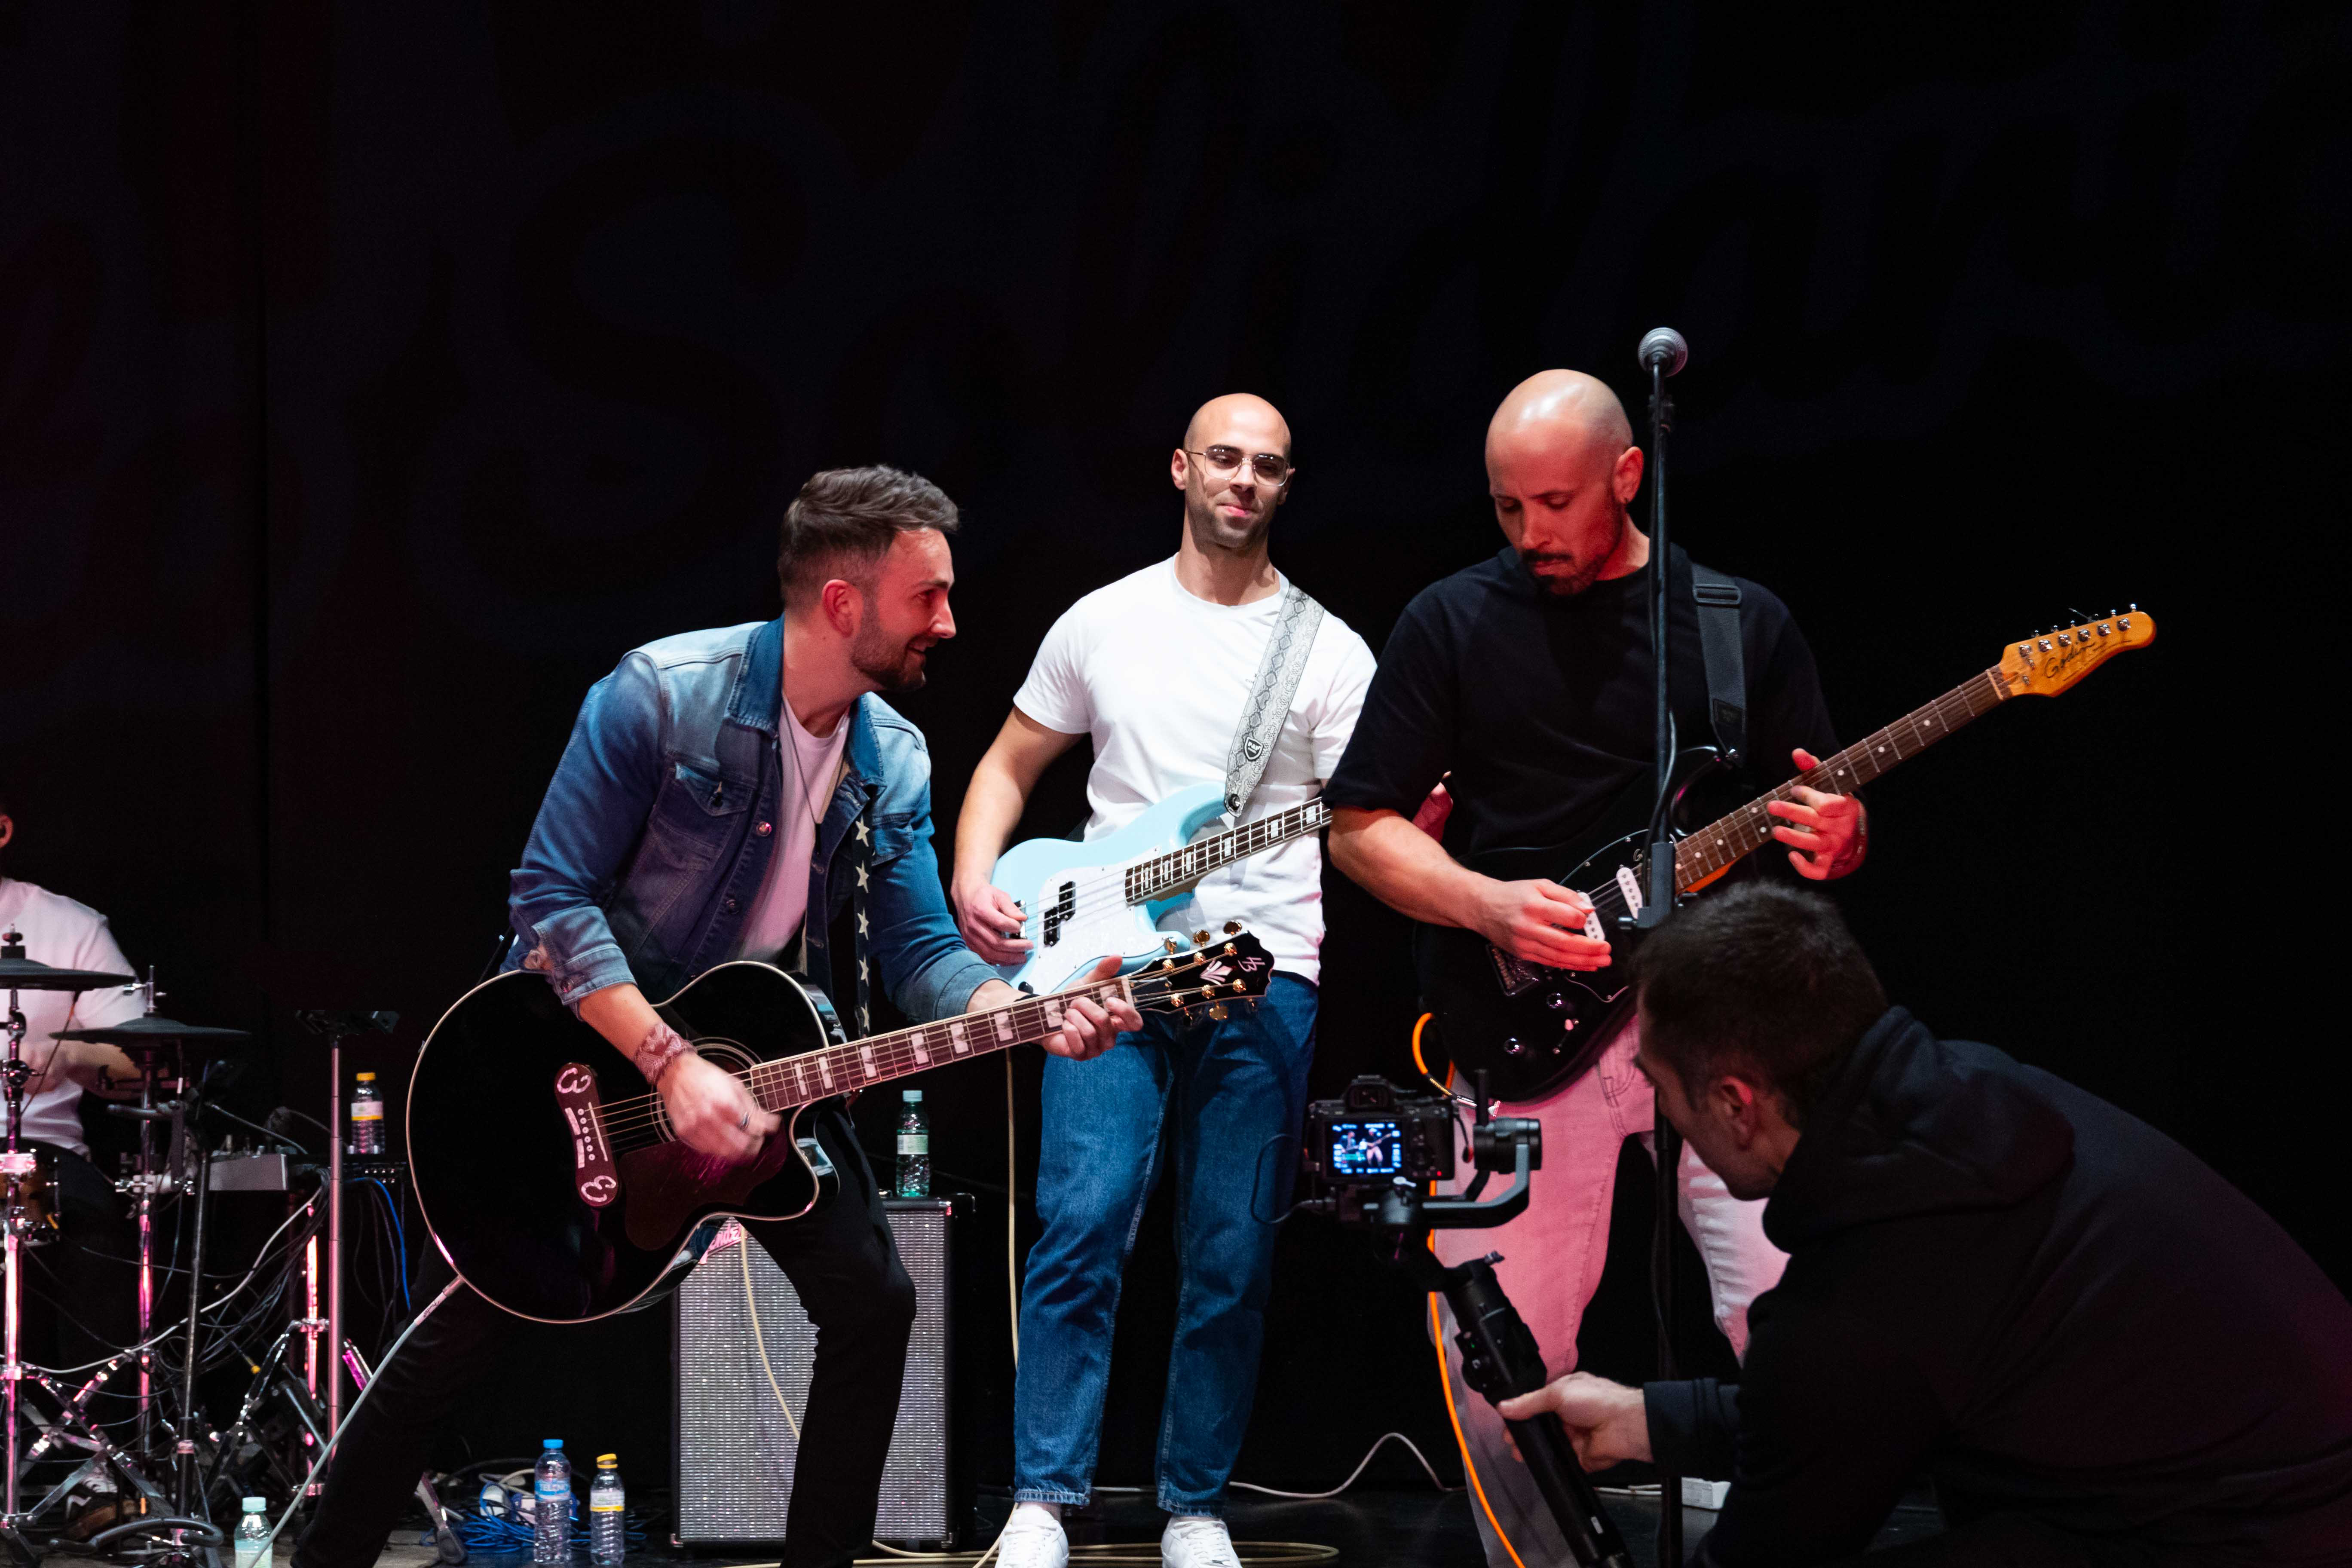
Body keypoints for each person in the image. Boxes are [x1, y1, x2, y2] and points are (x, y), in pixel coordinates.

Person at [292, 467, 1138, 1568]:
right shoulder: (659, 695)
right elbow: (550, 898)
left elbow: (924, 951)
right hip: (577, 1063)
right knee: (466, 1331)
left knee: (875, 1304)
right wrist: (667, 1061)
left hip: (762, 1057)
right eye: (926, 596)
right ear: (843, 602)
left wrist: (1026, 1013)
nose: (949, 621)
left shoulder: (893, 756)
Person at [1323, 369, 1867, 1566]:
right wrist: (1488, 905)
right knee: (1499, 1363)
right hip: (1519, 1029)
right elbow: (1359, 828)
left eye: (1556, 505)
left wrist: (1843, 837)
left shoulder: (1739, 622)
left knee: (1805, 1320)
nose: (1531, 535)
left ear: (1629, 477)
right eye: (1506, 508)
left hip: (1720, 1030)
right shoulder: (1450, 622)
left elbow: (1816, 812)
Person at [1503, 882, 2352, 1565]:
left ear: (1736, 1104)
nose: (1662, 1113)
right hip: (2252, 1502)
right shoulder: (1968, 1101)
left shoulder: (1873, 1280)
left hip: (2245, 1536)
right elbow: (1847, 1408)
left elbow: (1796, 1482)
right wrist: (1648, 1420)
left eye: (1661, 1086)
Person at [951, 395, 1376, 1568]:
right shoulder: (1104, 621)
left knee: (1231, 1253)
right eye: (1225, 459)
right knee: (1081, 1222)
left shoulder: (1330, 652)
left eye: (1268, 467)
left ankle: (1196, 1507)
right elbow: (1008, 764)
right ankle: (1044, 1499)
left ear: (1286, 487)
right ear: (1182, 468)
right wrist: (974, 874)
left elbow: (1363, 824)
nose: (1244, 480)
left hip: (1263, 968)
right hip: (1105, 966)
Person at [0, 797, 143, 1430]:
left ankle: (99, 1448)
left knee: (91, 1221)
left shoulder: (69, 927)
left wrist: (70, 1055)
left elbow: (138, 1060)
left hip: (39, 1157)